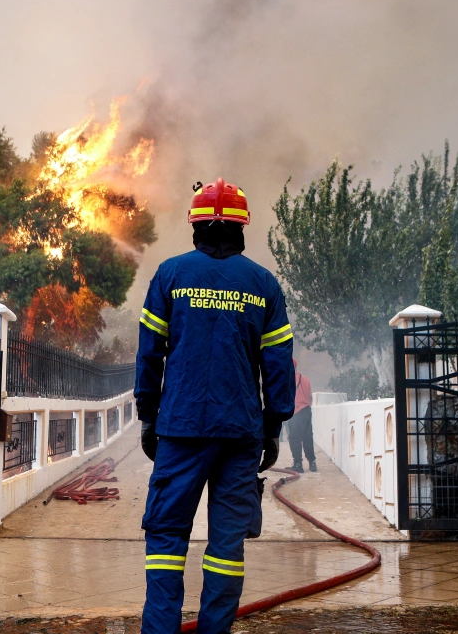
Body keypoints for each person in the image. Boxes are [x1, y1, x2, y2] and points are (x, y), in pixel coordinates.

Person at [135, 178, 295, 634]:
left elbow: (150, 353)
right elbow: (278, 363)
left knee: (166, 540)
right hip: (241, 434)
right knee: (227, 548)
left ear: (196, 226)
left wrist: (149, 416)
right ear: (242, 228)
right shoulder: (263, 284)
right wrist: (272, 426)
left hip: (181, 429)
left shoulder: (169, 275)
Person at [286, 360, 316, 473]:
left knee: (294, 438)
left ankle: (298, 464)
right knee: (307, 437)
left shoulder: (287, 380)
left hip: (295, 412)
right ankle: (312, 463)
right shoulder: (305, 379)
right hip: (306, 411)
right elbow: (310, 397)